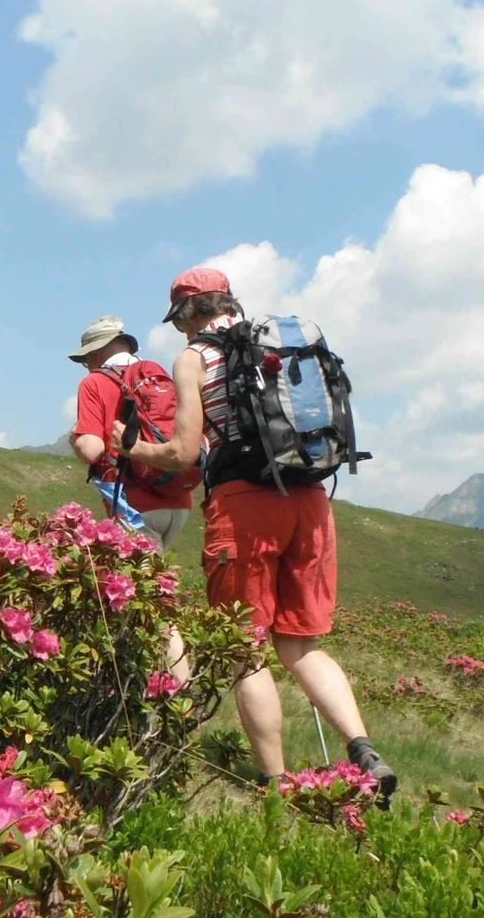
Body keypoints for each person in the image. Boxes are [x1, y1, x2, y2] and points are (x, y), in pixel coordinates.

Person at [122, 267, 397, 798]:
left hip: (244, 505)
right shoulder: (282, 346)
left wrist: (129, 446)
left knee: (244, 651)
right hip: (311, 500)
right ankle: (363, 746)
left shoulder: (194, 358)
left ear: (186, 313)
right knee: (302, 645)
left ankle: (275, 781)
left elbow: (182, 452)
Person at [68, 315, 197, 550]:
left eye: (86, 360)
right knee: (158, 578)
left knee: (138, 584)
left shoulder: (94, 382)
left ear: (95, 354)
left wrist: (75, 438)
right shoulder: (156, 375)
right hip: (179, 501)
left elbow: (91, 450)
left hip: (135, 505)